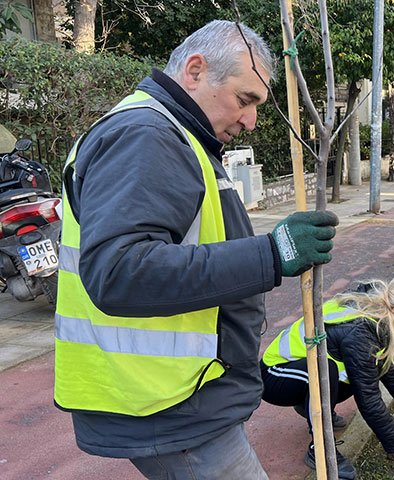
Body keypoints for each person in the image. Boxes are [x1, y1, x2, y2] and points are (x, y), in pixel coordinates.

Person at [53, 20, 339, 479]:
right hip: (166, 405)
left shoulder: (179, 137)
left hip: (178, 399)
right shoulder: (146, 135)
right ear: (195, 70)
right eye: (245, 100)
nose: (251, 121)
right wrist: (271, 253)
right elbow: (120, 271)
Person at [261, 276, 394, 480]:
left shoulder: (377, 318)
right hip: (275, 375)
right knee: (328, 371)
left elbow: (384, 366)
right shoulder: (360, 333)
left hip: (303, 373)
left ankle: (310, 406)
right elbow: (369, 399)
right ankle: (319, 448)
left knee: (357, 373)